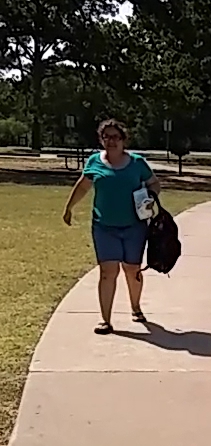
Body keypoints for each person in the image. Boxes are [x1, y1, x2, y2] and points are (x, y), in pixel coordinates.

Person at [62, 119, 161, 334]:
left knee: (132, 269)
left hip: (134, 226)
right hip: (104, 226)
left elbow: (154, 183)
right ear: (101, 139)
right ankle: (105, 320)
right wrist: (69, 207)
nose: (111, 141)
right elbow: (83, 185)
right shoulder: (94, 162)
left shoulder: (137, 163)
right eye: (106, 137)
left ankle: (135, 308)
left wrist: (150, 198)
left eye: (115, 136)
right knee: (108, 271)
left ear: (123, 140)